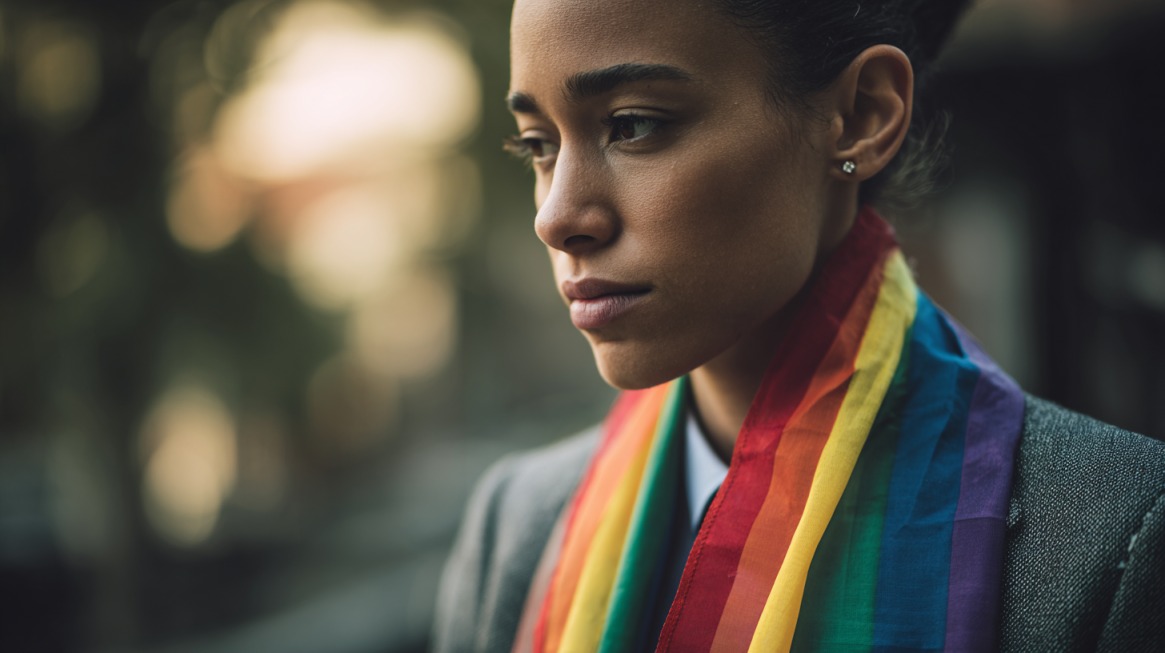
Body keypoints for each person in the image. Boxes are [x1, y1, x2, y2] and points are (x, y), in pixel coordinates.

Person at [433, 0, 1165, 651]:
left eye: (633, 125)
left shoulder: (1108, 540)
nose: (555, 217)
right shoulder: (518, 529)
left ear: (861, 115)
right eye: (537, 143)